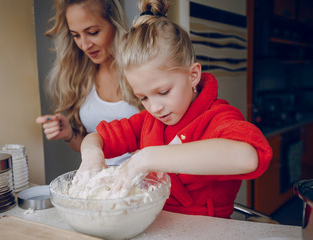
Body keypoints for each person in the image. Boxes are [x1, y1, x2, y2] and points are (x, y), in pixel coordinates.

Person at [78, 0, 273, 218]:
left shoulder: (218, 117)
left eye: (163, 92)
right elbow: (95, 138)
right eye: (142, 97)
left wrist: (148, 158)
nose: (155, 107)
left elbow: (248, 157)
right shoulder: (148, 122)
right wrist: (91, 155)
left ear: (193, 75)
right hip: (156, 223)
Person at [35, 0, 142, 166]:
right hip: (100, 184)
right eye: (76, 35)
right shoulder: (82, 77)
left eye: (92, 32)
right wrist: (69, 134)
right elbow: (92, 147)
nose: (84, 45)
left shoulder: (141, 69)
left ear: (114, 23)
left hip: (144, 183)